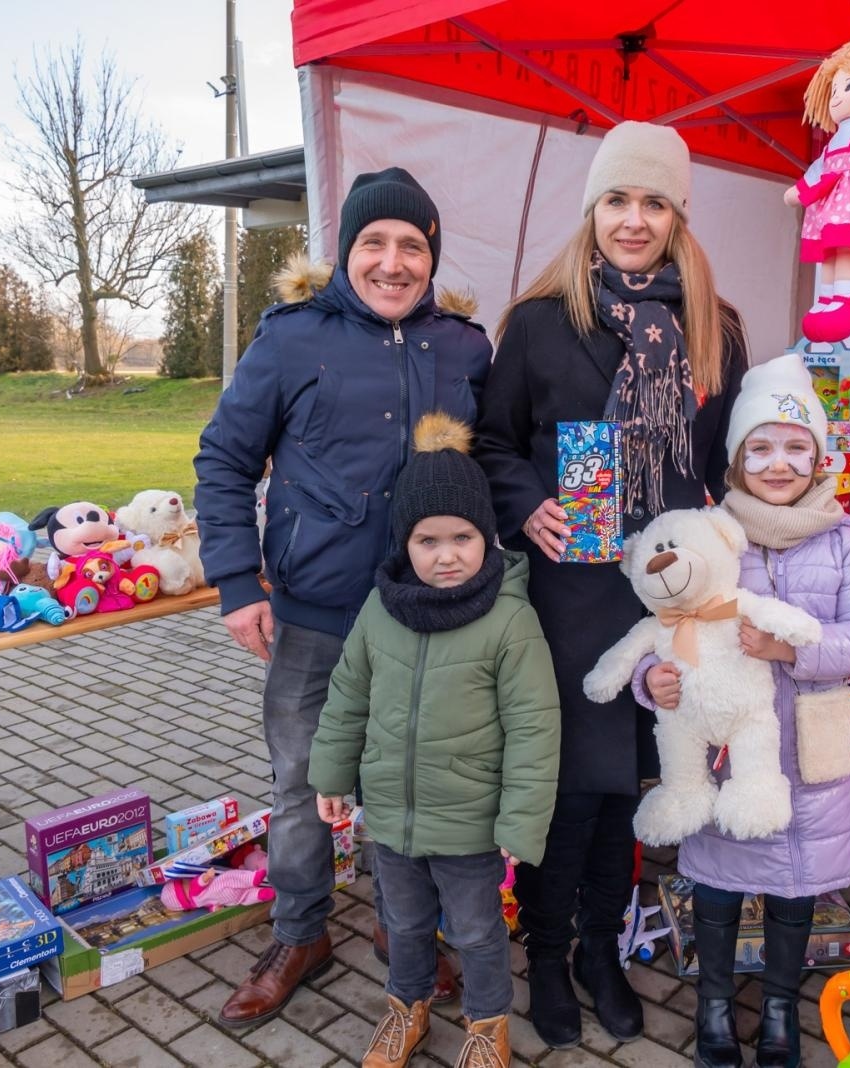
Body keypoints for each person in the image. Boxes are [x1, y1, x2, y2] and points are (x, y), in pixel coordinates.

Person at [194, 167, 492, 1028]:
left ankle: (405, 932)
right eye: (374, 244)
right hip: (317, 614)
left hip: (426, 616)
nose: (393, 263)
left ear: (430, 256)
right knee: (301, 783)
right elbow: (223, 460)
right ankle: (300, 932)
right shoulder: (292, 340)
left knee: (419, 783)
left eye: (412, 246)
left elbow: (496, 465)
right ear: (346, 253)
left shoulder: (464, 347)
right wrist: (238, 582)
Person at [472, 120, 747, 1049]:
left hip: (665, 598)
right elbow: (496, 442)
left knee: (635, 784)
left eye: (654, 202)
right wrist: (527, 505)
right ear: (593, 211)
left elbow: (723, 471)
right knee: (569, 788)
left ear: (677, 216)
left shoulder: (716, 330)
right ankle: (546, 955)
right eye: (618, 201)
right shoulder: (542, 322)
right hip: (572, 593)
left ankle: (604, 950)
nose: (634, 220)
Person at [633, 353, 850, 1068]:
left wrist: (790, 651)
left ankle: (780, 1008)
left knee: (795, 891)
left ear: (817, 458)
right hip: (722, 749)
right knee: (715, 884)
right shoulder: (711, 534)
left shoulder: (842, 542)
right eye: (761, 448)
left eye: (794, 447)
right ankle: (714, 1005)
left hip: (807, 755)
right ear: (738, 458)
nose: (778, 464)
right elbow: (664, 624)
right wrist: (651, 679)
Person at [309, 412, 560, 1068]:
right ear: (404, 543)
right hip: (392, 816)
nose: (445, 555)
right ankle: (407, 1008)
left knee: (478, 932)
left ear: (487, 538)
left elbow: (536, 727)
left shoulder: (509, 620)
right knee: (405, 923)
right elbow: (347, 698)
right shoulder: (381, 609)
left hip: (471, 825)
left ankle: (486, 1025)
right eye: (427, 540)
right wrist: (331, 778)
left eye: (462, 537)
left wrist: (521, 819)